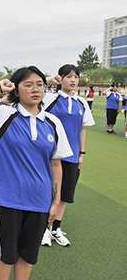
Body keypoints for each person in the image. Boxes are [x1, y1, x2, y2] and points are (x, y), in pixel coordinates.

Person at [0, 66, 72, 280]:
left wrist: (55, 201)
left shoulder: (52, 122)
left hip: (39, 201)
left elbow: (55, 163)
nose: (35, 90)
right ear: (17, 90)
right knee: (6, 253)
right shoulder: (2, 115)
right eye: (28, 85)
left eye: (40, 85)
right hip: (8, 198)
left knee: (28, 254)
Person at [42, 65, 94, 247]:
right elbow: (29, 89)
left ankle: (56, 228)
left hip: (71, 157)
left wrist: (81, 153)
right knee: (49, 192)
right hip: (51, 155)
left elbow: (82, 130)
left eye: (76, 77)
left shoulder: (82, 102)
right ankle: (43, 230)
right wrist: (48, 79)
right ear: (60, 79)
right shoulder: (50, 98)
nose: (73, 80)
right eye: (68, 76)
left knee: (64, 194)